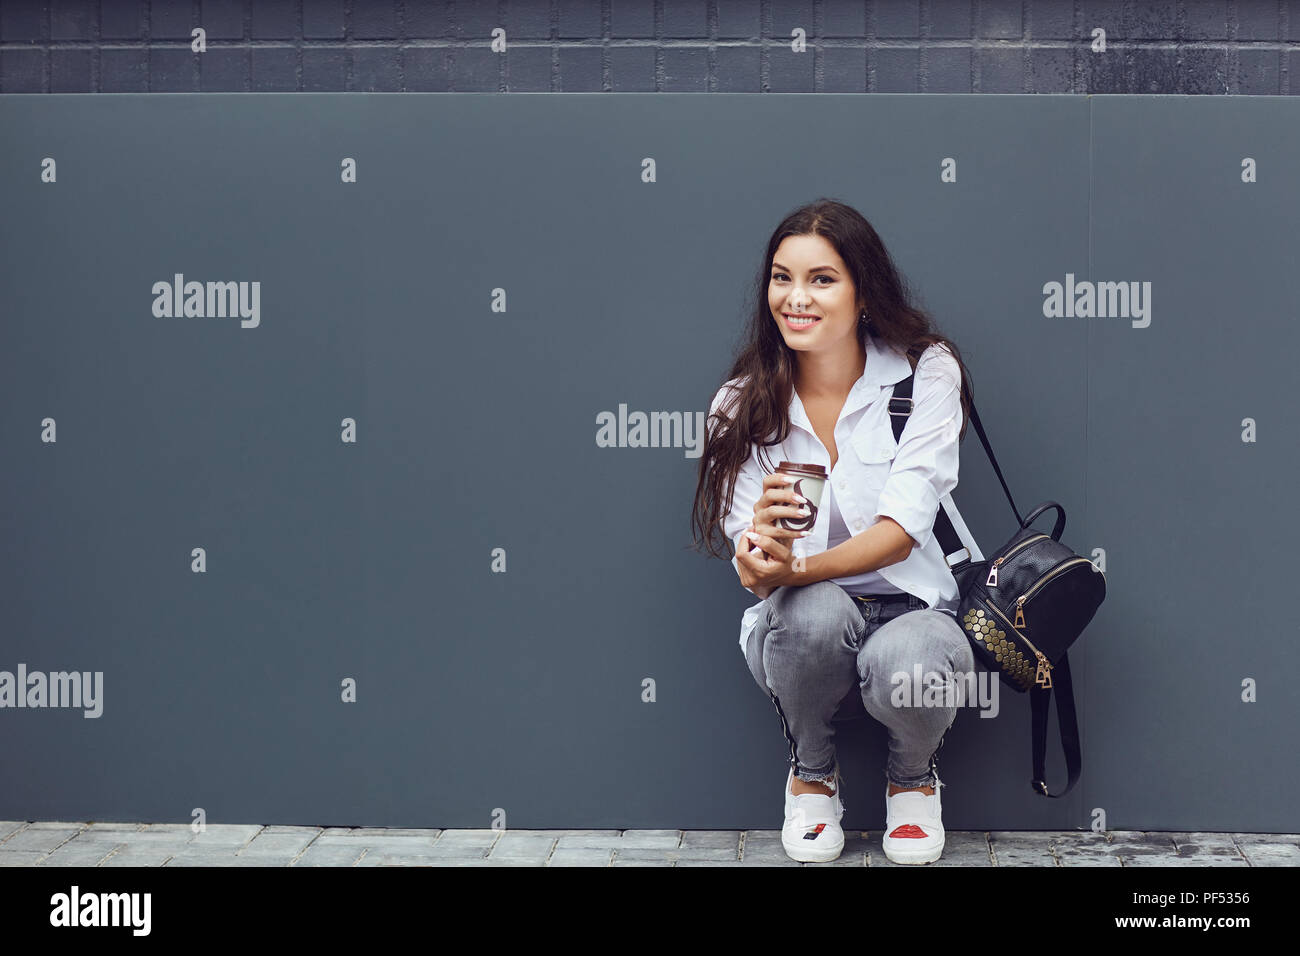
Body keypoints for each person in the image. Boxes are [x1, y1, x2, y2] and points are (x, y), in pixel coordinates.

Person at [690, 198, 984, 864]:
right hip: (805, 621)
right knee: (807, 616)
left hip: (916, 605)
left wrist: (790, 572)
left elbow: (902, 530)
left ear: (864, 291)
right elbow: (753, 569)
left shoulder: (924, 374)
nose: (796, 298)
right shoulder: (740, 404)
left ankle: (913, 779)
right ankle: (811, 775)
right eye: (781, 277)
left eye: (821, 279)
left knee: (914, 666)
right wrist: (762, 548)